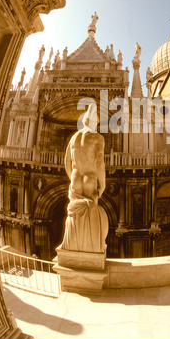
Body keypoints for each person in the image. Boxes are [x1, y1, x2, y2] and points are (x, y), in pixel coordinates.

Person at [60, 104, 108, 253]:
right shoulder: (98, 138)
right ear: (95, 122)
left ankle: (71, 246)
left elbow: (67, 162)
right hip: (90, 178)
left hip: (75, 179)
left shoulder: (74, 137)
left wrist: (72, 177)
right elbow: (100, 163)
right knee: (90, 213)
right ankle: (91, 248)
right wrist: (103, 184)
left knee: (73, 214)